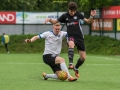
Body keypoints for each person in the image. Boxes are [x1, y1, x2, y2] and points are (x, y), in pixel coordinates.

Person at [44, 2, 96, 77]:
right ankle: (71, 64)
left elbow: (88, 21)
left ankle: (76, 67)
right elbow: (55, 22)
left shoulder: (78, 14)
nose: (73, 13)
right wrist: (49, 19)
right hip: (70, 35)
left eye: (74, 11)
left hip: (79, 37)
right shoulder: (65, 16)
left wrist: (91, 16)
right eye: (71, 11)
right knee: (71, 44)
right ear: (69, 9)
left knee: (83, 57)